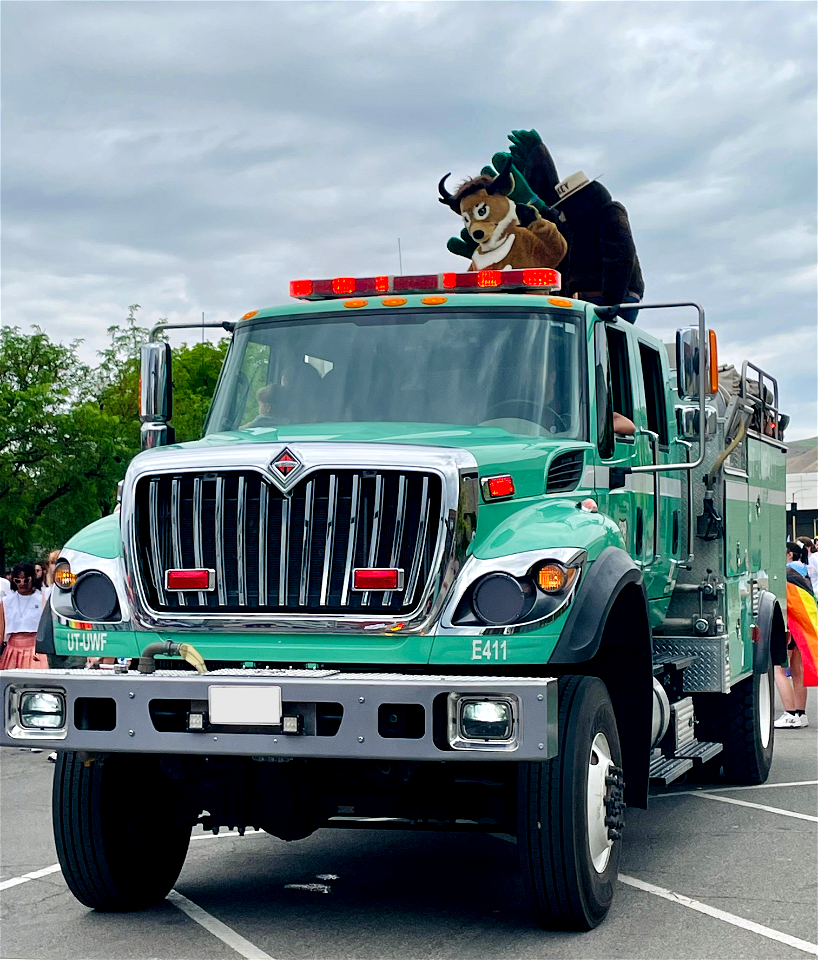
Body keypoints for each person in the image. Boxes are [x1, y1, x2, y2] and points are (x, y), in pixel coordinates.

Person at [774, 545, 818, 728]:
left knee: (778, 668)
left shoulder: (784, 575)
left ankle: (790, 713)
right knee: (797, 670)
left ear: (788, 554)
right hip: (802, 627)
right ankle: (800, 713)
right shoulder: (799, 574)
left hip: (790, 627)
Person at [0, 563, 48, 670]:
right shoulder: (6, 601)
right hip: (12, 648)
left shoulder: (41, 598)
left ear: (32, 578)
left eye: (26, 580)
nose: (22, 584)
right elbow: (1, 631)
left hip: (35, 647)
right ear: (13, 580)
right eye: (18, 581)